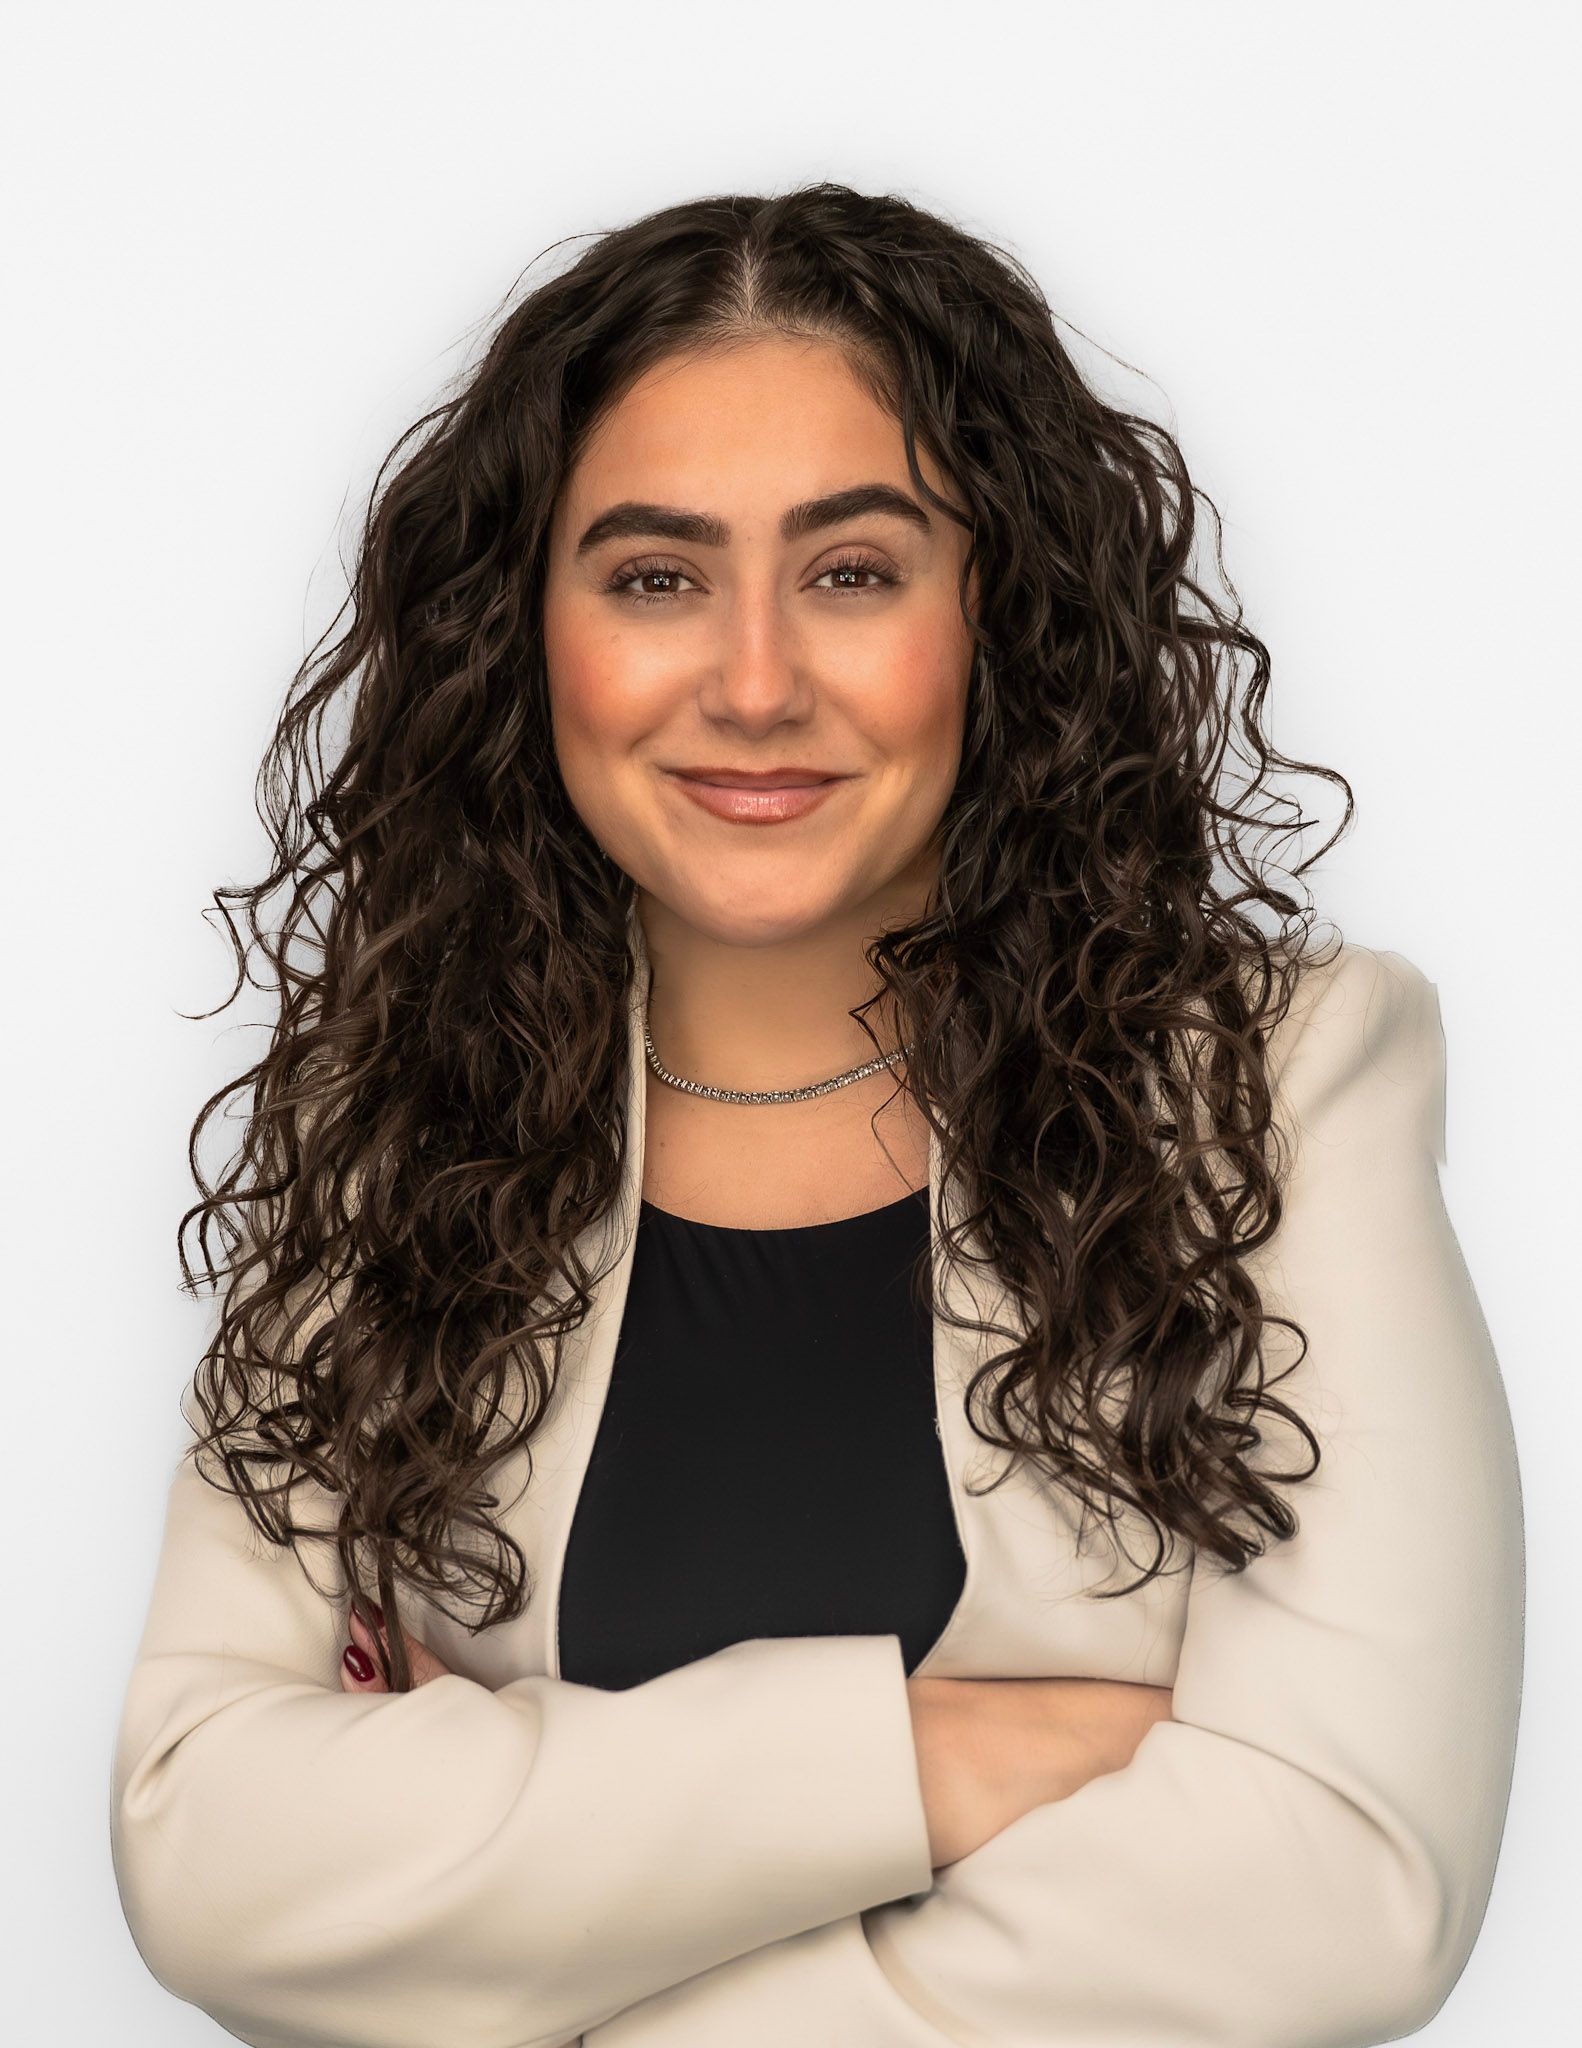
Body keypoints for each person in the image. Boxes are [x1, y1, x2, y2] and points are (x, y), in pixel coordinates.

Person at [109, 182, 1523, 2048]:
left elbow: (1342, 1888)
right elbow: (210, 1848)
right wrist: (911, 1765)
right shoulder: (405, 1131)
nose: (756, 683)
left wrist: (529, 1925)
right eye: (653, 575)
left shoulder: (1267, 1091)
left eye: (852, 570)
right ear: (524, 638)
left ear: (996, 611)